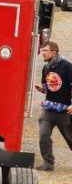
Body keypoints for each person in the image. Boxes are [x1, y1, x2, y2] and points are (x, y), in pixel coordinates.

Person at [35, 41, 72, 171]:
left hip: (65, 111)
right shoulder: (46, 68)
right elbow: (48, 86)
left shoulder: (67, 66)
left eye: (45, 50)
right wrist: (42, 88)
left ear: (53, 52)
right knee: (44, 135)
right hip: (48, 110)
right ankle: (48, 162)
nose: (42, 53)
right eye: (42, 50)